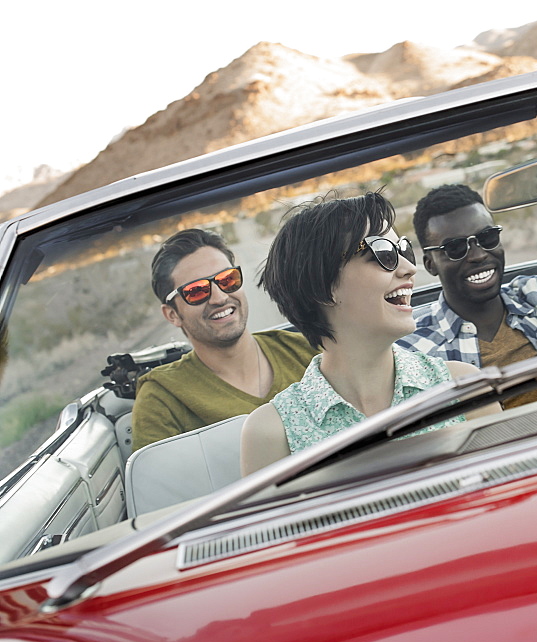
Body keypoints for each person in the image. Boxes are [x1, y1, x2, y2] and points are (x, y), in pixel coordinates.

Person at [241, 191, 500, 475]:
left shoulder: (463, 386)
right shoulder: (270, 432)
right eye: (384, 254)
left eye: (403, 250)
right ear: (324, 287)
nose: (410, 268)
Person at [132, 229, 317, 451]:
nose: (219, 297)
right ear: (172, 314)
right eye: (196, 291)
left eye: (227, 280)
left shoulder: (307, 351)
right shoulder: (162, 399)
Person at [397, 184, 537, 408]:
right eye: (456, 248)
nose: (478, 255)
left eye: (487, 237)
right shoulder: (414, 351)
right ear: (430, 264)